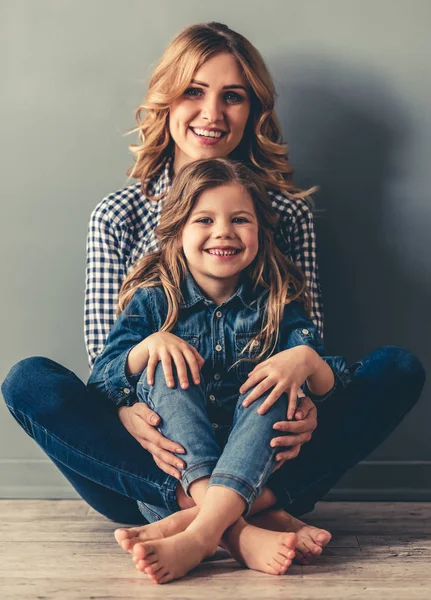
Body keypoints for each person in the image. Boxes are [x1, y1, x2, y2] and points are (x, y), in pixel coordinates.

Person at [1, 21, 425, 570]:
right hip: (154, 459)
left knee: (397, 368)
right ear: (167, 101)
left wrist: (310, 399)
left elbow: (307, 350)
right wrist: (131, 411)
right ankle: (234, 523)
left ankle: (203, 522)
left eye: (233, 96)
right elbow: (103, 369)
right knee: (29, 379)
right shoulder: (119, 215)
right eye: (194, 91)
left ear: (254, 111)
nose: (212, 113)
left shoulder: (286, 213)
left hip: (270, 445)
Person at [88, 157, 352, 583]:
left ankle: (196, 533)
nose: (223, 231)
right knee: (162, 369)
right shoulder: (153, 301)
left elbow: (334, 383)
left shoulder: (277, 303)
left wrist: (305, 361)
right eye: (204, 219)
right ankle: (242, 526)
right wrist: (144, 349)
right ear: (176, 233)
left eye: (240, 219)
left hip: (253, 462)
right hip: (173, 477)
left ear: (261, 234)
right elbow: (100, 382)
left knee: (276, 385)